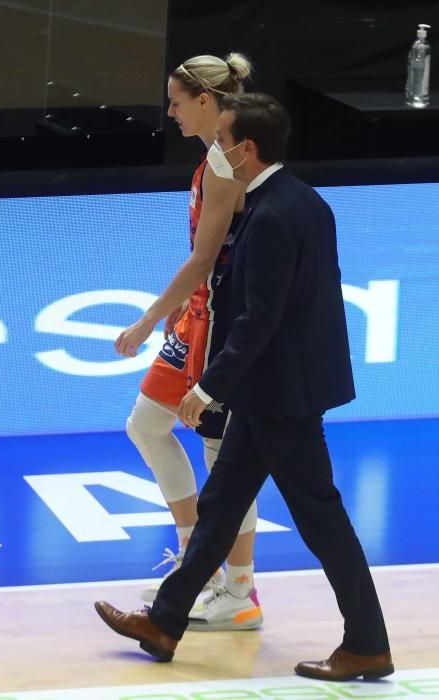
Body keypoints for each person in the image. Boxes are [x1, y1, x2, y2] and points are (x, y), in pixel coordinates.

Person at [95, 93, 394, 682]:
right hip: (275, 388)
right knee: (221, 506)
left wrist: (208, 387)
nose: (215, 150)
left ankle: (366, 641)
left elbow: (262, 317)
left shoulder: (275, 216)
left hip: (281, 393)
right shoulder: (299, 201)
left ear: (246, 149)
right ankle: (165, 622)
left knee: (319, 517)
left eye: (222, 139)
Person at [116, 53, 263, 630]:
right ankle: (195, 564)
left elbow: (206, 258)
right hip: (195, 317)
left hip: (219, 322)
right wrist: (177, 311)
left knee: (220, 456)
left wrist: (150, 317)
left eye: (177, 102)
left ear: (206, 101)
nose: (170, 112)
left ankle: (241, 591)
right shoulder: (211, 157)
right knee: (147, 426)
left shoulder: (228, 164)